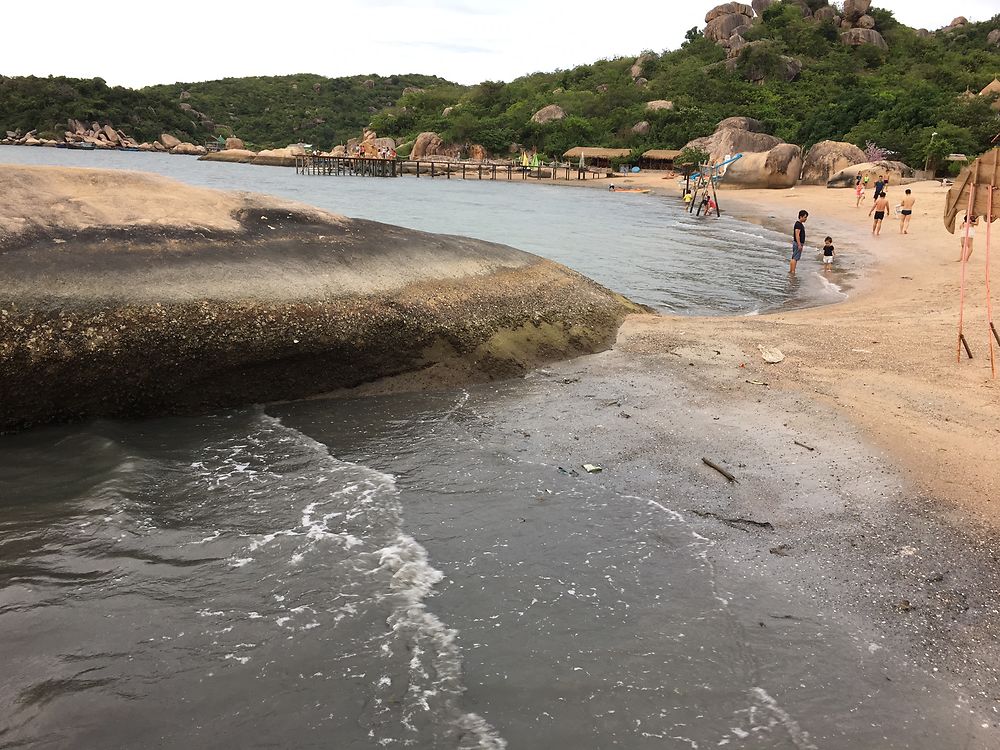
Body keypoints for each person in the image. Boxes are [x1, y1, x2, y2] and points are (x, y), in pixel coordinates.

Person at [791, 210, 808, 274]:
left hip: (797, 243)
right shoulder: (798, 224)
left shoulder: (799, 224)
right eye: (805, 217)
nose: (806, 219)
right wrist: (799, 244)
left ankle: (792, 271)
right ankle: (792, 271)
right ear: (801, 217)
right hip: (798, 243)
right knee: (795, 258)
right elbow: (797, 235)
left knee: (794, 257)